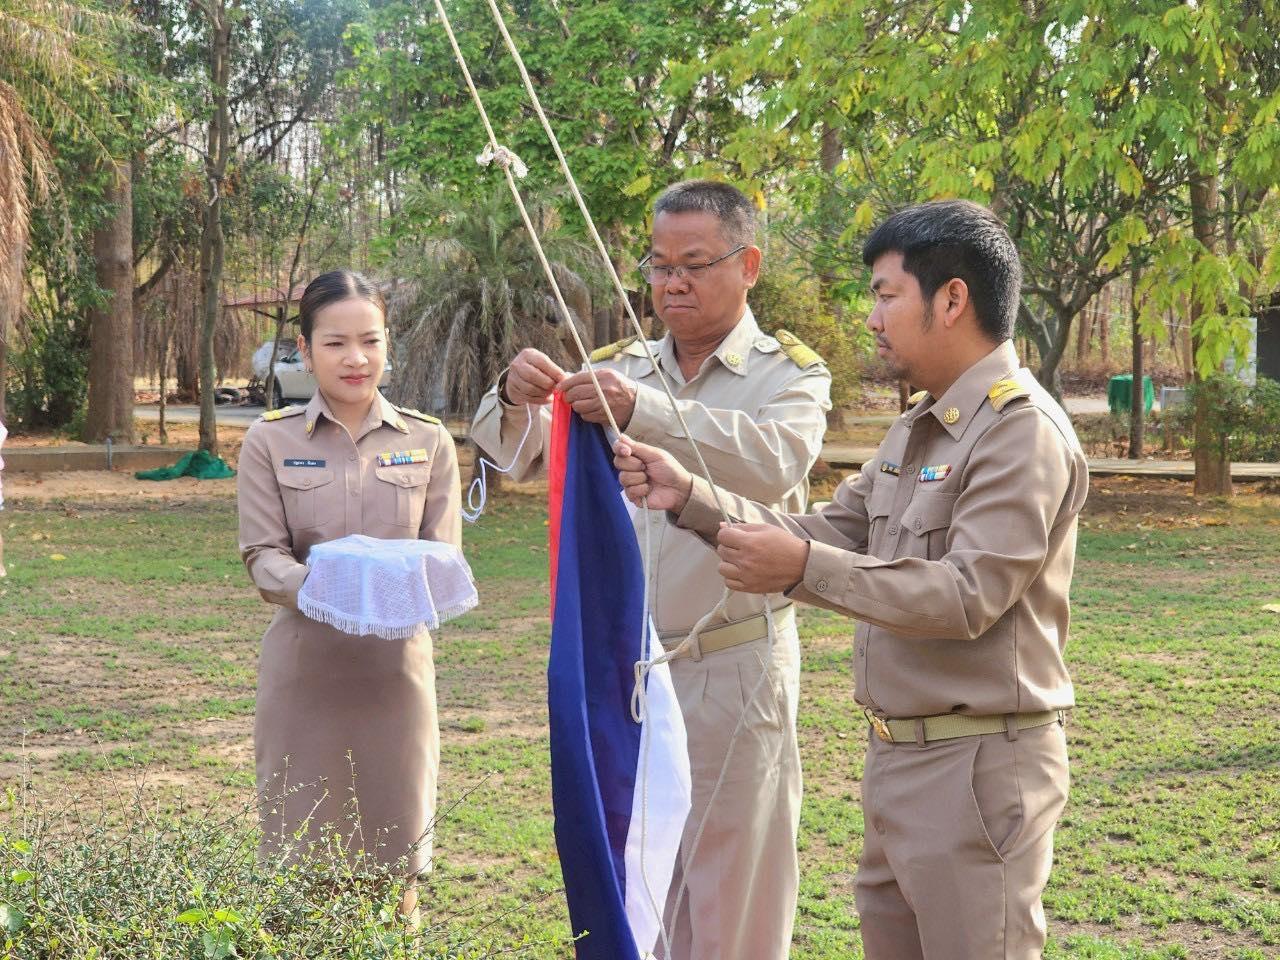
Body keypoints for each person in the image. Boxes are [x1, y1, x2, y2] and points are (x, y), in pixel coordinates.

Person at [613, 199, 1087, 960]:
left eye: (886, 294)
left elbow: (966, 596)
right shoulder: (919, 426)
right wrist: (693, 500)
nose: (872, 317)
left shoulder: (1018, 432)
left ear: (952, 299)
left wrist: (801, 570)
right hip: (898, 758)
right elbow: (832, 528)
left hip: (978, 768)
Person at [471, 180, 831, 959]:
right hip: (628, 672)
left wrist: (644, 410)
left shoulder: (789, 376)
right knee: (638, 881)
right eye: (659, 264)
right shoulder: (618, 366)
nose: (672, 282)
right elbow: (514, 454)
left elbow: (773, 465)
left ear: (750, 265)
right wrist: (511, 395)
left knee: (736, 893)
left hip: (735, 663)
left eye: (695, 264)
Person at [237, 270, 461, 916]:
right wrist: (335, 585)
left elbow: (442, 558)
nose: (356, 359)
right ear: (304, 351)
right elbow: (262, 558)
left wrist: (401, 583)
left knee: (398, 871)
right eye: (335, 343)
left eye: (371, 340)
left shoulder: (429, 441)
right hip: (306, 677)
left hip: (397, 679)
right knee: (304, 869)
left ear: (390, 345)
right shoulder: (270, 441)